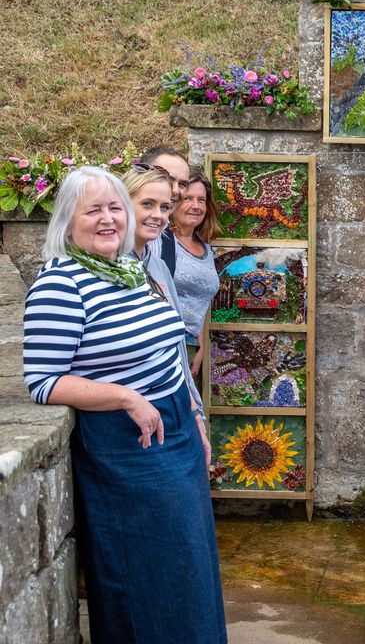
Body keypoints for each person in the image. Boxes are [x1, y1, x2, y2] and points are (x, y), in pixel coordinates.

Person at [22, 166, 225, 643]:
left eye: (115, 208)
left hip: (173, 430)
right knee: (147, 576)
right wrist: (124, 396)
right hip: (127, 448)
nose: (108, 219)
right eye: (94, 210)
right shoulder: (60, 283)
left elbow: (164, 351)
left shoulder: (129, 268)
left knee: (190, 568)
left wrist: (192, 413)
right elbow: (43, 381)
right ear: (67, 220)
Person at [122, 164, 208, 440]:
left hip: (183, 353)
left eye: (164, 206)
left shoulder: (157, 263)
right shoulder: (153, 249)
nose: (158, 214)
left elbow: (199, 303)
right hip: (135, 399)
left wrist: (201, 342)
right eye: (148, 204)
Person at [169, 166, 221, 380]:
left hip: (189, 347)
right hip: (165, 345)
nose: (195, 206)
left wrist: (200, 345)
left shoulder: (206, 249)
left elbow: (200, 302)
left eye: (201, 200)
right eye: (188, 198)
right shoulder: (160, 242)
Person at [140, 146, 191, 276]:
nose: (175, 190)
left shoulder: (169, 237)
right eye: (167, 180)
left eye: (182, 184)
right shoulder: (115, 232)